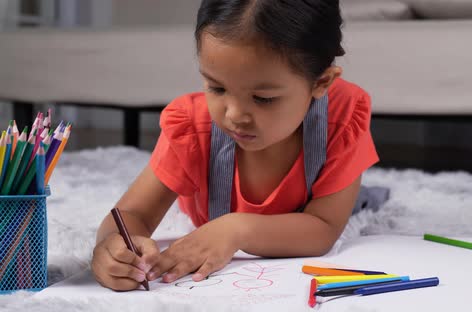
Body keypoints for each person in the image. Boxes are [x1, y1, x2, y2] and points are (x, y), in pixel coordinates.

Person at [91, 0, 381, 291]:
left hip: (328, 204)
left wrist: (236, 229)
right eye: (217, 88)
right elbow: (132, 214)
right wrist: (113, 248)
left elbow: (323, 227)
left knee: (358, 200)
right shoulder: (193, 128)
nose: (234, 116)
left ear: (321, 82)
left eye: (263, 98)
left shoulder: (342, 117)